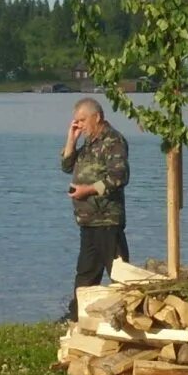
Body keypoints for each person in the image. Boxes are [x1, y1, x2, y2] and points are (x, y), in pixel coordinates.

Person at [60, 97, 130, 318]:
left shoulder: (113, 141)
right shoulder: (89, 142)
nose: (79, 124)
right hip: (88, 221)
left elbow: (119, 177)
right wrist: (72, 138)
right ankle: (78, 316)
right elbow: (66, 165)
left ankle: (130, 312)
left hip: (107, 219)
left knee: (120, 273)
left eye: (82, 120)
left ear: (97, 117)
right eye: (76, 121)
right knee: (86, 273)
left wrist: (87, 190)